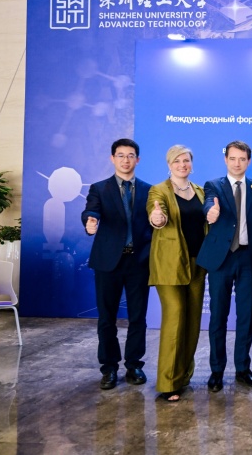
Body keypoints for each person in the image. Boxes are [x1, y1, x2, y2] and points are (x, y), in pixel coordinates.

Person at [196, 141, 252, 392]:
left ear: (248, 161)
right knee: (218, 316)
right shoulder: (213, 185)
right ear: (225, 159)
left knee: (246, 316)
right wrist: (211, 212)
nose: (237, 163)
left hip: (248, 258)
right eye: (233, 158)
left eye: (242, 159)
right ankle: (217, 370)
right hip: (221, 259)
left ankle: (242, 368)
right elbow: (208, 204)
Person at [82, 138, 152, 390]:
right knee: (106, 318)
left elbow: (155, 220)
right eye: (120, 155)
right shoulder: (99, 188)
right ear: (112, 159)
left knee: (138, 317)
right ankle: (109, 368)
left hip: (139, 261)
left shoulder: (149, 190)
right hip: (108, 261)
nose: (125, 160)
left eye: (130, 155)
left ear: (138, 160)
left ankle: (134, 365)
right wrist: (90, 221)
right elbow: (91, 211)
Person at [146, 145, 207, 402]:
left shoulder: (200, 191)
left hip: (197, 263)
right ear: (169, 164)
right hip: (170, 264)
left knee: (192, 320)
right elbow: (155, 216)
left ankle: (183, 376)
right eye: (177, 161)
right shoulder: (159, 190)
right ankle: (168, 381)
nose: (182, 165)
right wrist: (157, 218)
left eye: (186, 161)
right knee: (175, 316)